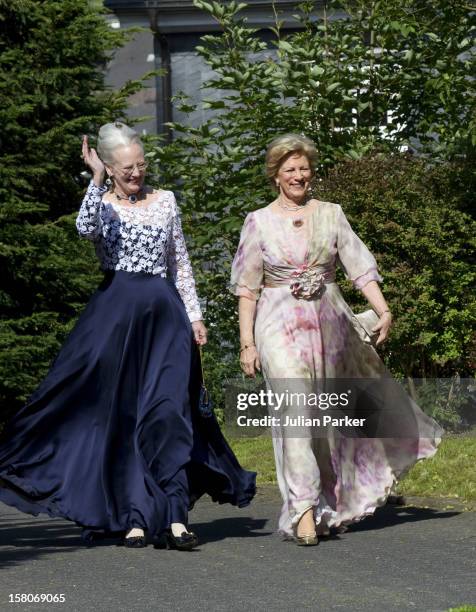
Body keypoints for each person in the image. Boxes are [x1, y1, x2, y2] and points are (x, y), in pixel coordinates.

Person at [0, 121, 255, 550]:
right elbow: (85, 230)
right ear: (110, 168)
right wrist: (95, 181)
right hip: (116, 318)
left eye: (141, 164)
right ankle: (134, 515)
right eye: (126, 168)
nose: (136, 174)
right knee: (125, 416)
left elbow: (180, 261)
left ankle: (175, 517)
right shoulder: (101, 204)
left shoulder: (166, 201)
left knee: (167, 411)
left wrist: (194, 315)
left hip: (165, 317)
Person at [230, 133, 441, 546]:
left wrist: (382, 308)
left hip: (329, 322)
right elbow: (246, 288)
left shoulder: (331, 214)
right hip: (277, 323)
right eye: (289, 169)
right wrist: (246, 344)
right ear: (276, 175)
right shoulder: (258, 221)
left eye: (304, 168)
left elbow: (359, 265)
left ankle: (336, 494)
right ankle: (303, 508)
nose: (298, 175)